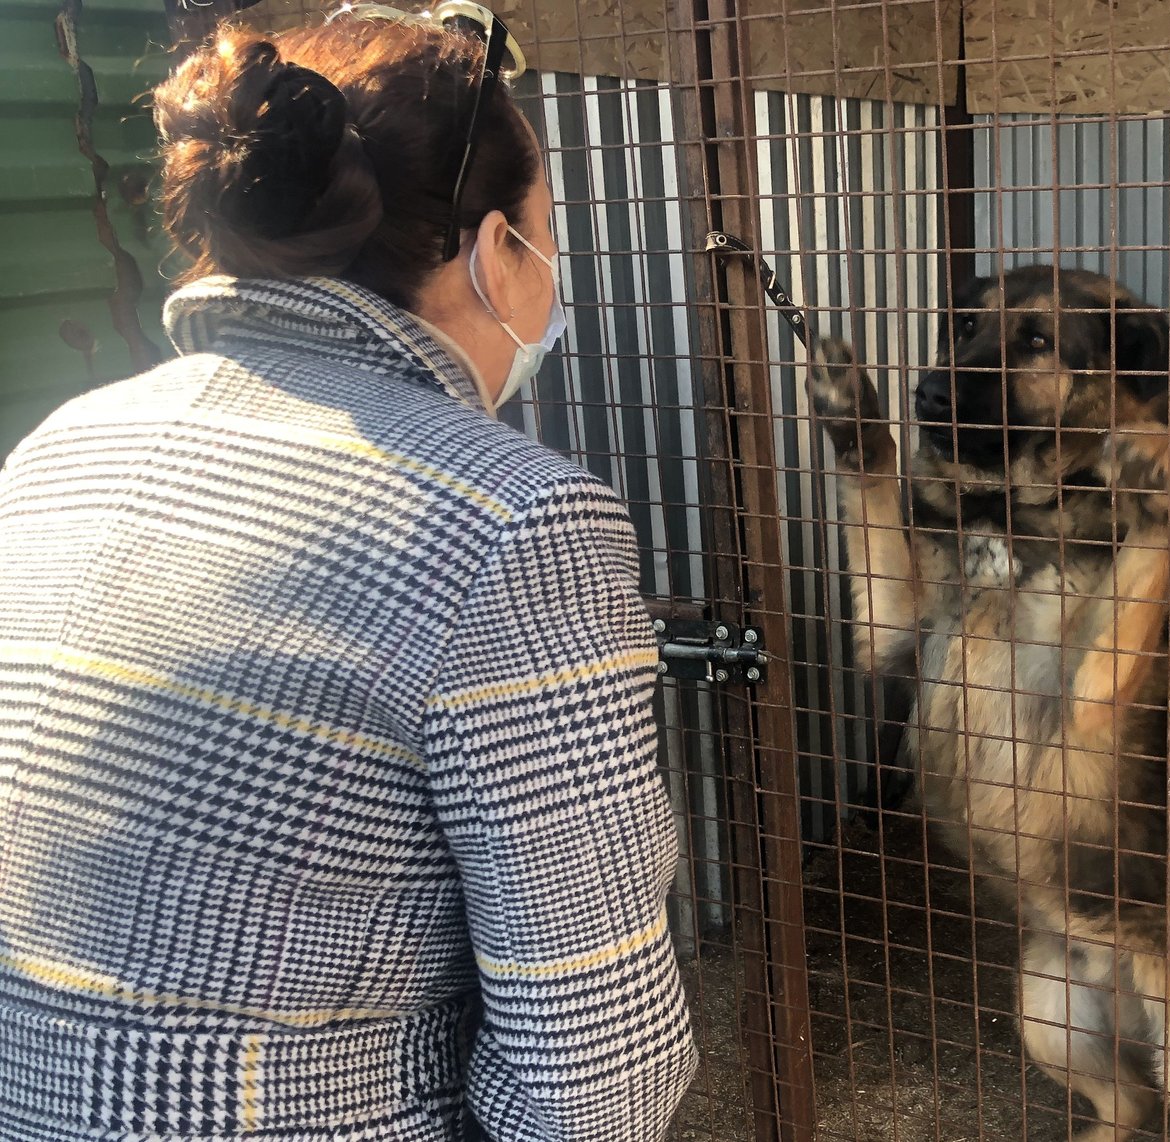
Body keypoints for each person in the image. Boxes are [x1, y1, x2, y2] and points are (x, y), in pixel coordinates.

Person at [0, 5, 697, 1139]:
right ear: (494, 253)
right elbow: (596, 1066)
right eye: (546, 231)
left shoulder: (58, 446)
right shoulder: (512, 521)